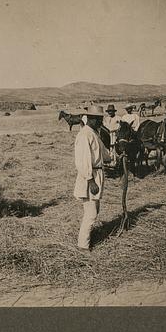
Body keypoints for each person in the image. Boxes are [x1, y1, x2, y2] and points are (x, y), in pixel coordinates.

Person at [73, 105, 109, 251]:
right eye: (99, 119)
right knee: (91, 213)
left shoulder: (94, 134)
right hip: (89, 177)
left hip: (96, 174)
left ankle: (88, 238)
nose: (101, 122)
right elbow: (83, 161)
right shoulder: (84, 135)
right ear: (92, 119)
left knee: (95, 210)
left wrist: (116, 158)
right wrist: (90, 180)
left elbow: (103, 154)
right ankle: (83, 246)